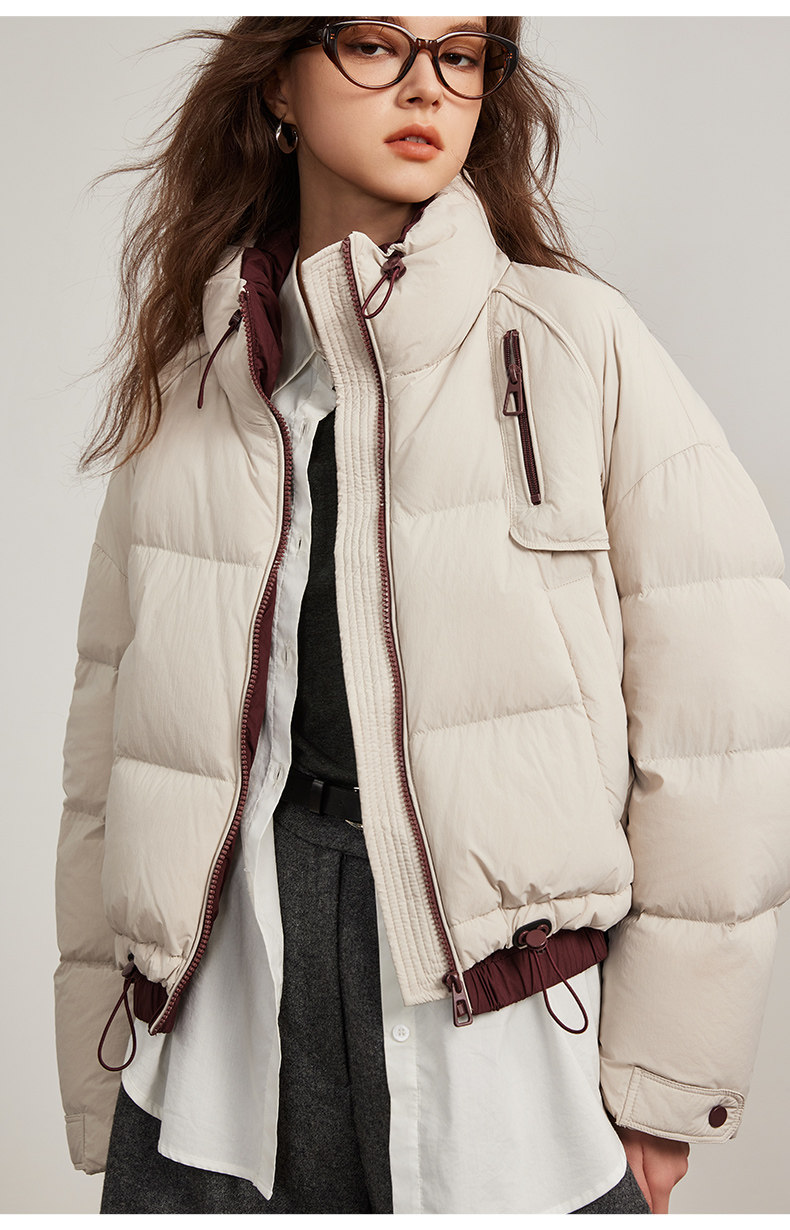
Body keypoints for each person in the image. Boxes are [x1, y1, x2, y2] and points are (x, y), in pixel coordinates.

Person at [53, 15, 790, 1216]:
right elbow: (111, 738)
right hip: (223, 1001)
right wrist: (99, 1043)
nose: (425, 88)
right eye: (375, 44)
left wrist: (669, 1077)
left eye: (458, 53)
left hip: (493, 1019)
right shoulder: (197, 381)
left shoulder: (573, 345)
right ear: (278, 85)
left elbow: (725, 723)